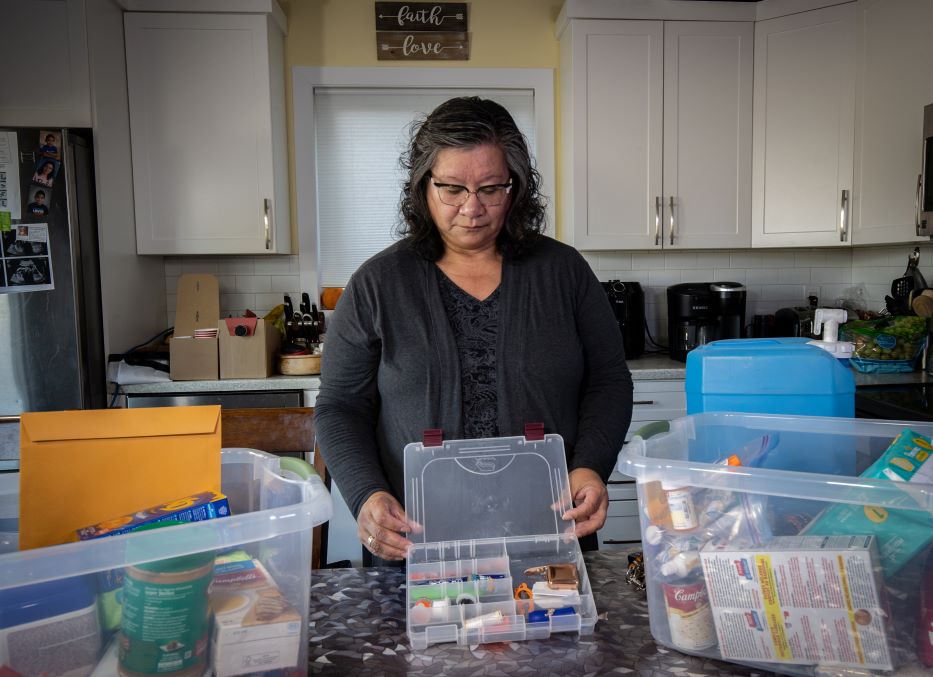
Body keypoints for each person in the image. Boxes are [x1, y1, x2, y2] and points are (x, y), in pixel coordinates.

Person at [315, 96, 634, 564]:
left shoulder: (564, 272)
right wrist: (366, 496)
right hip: (416, 543)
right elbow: (340, 406)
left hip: (549, 535)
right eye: (452, 189)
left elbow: (608, 381)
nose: (472, 208)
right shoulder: (377, 284)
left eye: (491, 188)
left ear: (516, 187)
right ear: (423, 186)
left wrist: (589, 466)